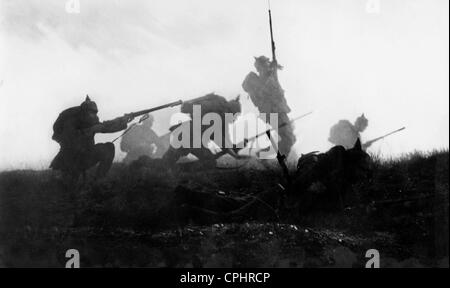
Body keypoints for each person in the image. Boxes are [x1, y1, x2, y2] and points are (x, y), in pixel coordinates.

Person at [50, 95, 134, 182]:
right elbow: (70, 139)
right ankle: (95, 181)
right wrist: (88, 132)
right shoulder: (71, 123)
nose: (93, 116)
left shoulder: (88, 122)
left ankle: (98, 180)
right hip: (70, 161)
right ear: (84, 112)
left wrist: (123, 122)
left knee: (109, 147)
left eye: (94, 113)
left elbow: (106, 126)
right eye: (91, 113)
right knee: (68, 186)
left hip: (82, 157)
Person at [242, 56, 296, 156]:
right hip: (273, 113)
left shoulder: (269, 76)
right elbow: (266, 88)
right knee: (288, 138)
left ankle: (265, 154)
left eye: (268, 64)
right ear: (260, 68)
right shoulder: (259, 83)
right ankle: (276, 158)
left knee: (290, 138)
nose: (268, 66)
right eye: (266, 64)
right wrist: (273, 70)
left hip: (279, 111)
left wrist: (274, 69)